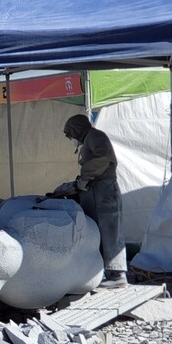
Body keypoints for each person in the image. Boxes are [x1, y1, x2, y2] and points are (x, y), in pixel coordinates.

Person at [55, 114, 127, 288]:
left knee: (110, 231)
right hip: (97, 193)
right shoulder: (89, 139)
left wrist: (85, 177)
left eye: (70, 133)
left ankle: (117, 275)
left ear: (77, 128)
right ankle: (103, 272)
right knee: (99, 231)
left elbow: (102, 159)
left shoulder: (95, 136)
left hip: (105, 192)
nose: (70, 138)